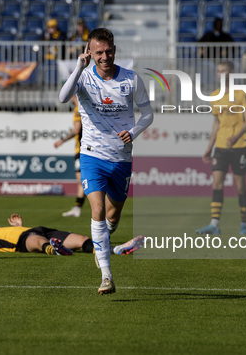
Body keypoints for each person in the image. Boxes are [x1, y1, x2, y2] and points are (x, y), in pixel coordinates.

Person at [58, 28, 154, 295]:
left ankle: (104, 243)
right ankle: (106, 276)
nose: (104, 56)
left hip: (121, 158)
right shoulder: (83, 77)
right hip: (91, 155)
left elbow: (148, 114)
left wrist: (133, 132)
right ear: (90, 51)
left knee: (112, 217)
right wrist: (79, 66)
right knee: (97, 211)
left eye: (108, 51)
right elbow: (63, 97)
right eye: (98, 52)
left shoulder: (132, 79)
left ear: (114, 49)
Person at [197, 60, 246, 236]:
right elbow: (216, 124)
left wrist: (236, 136)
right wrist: (209, 147)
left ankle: (244, 224)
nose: (222, 74)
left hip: (239, 145)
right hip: (221, 146)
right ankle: (215, 224)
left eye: (225, 71)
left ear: (232, 73)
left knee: (240, 186)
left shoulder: (242, 94)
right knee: (217, 183)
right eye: (219, 71)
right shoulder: (214, 95)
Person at [0, 213, 145, 256]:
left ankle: (116, 249)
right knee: (40, 243)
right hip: (24, 241)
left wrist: (20, 225)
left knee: (84, 240)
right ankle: (53, 249)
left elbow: (18, 231)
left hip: (35, 230)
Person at [54, 95, 85, 217]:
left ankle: (80, 207)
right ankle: (78, 207)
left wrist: (62, 140)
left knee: (81, 180)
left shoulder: (78, 109)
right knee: (82, 180)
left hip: (82, 150)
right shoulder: (88, 107)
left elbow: (76, 129)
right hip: (91, 149)